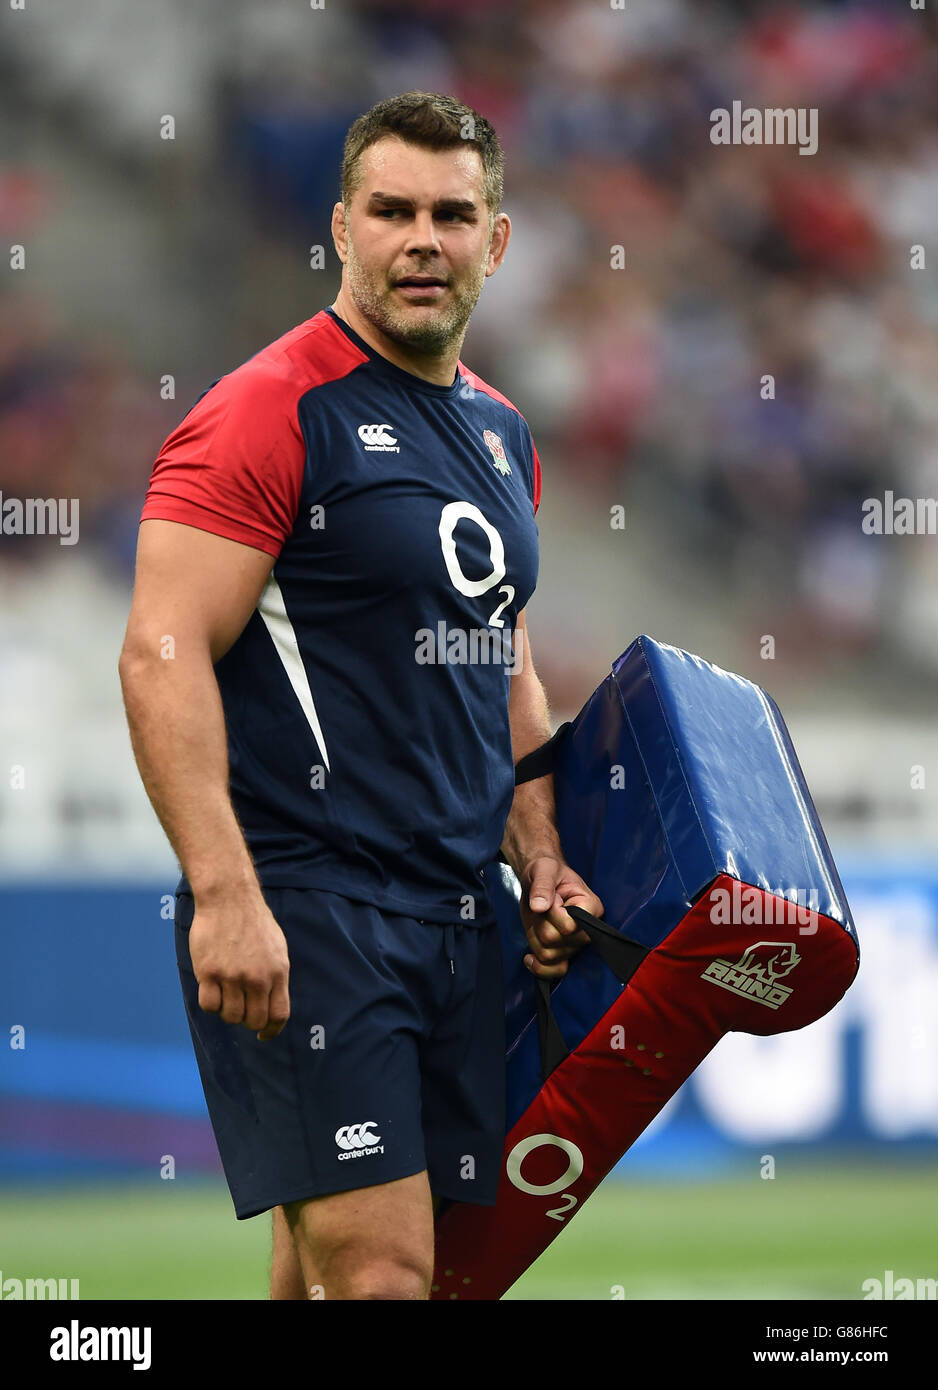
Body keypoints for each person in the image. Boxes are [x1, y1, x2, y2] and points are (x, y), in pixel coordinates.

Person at [119, 89, 603, 1302]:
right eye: (390, 211)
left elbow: (502, 662)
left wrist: (537, 853)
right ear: (341, 226)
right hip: (311, 907)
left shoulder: (501, 435)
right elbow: (158, 652)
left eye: (451, 214)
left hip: (452, 918)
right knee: (385, 1280)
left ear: (496, 242)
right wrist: (227, 894)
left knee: (331, 1281)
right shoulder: (264, 411)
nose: (419, 240)